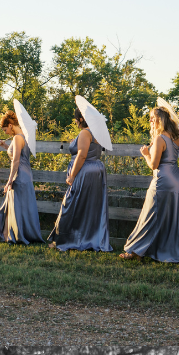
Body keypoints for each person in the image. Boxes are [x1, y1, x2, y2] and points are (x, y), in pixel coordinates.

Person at [120, 106, 179, 263]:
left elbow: (154, 165)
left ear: (159, 120)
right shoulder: (176, 137)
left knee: (149, 214)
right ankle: (174, 251)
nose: (150, 121)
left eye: (152, 118)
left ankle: (137, 250)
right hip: (176, 179)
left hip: (163, 179)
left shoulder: (160, 138)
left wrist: (146, 154)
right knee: (172, 216)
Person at [48, 106, 111, 252]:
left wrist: (72, 175)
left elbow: (82, 155)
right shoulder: (96, 133)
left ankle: (65, 240)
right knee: (90, 206)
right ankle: (89, 238)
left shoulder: (85, 132)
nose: (76, 122)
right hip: (97, 170)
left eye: (76, 119)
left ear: (81, 119)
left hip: (85, 171)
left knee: (71, 203)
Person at [0, 110, 43, 243]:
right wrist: (5, 146)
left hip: (19, 174)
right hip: (26, 174)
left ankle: (10, 234)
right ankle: (8, 234)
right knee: (17, 205)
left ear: (10, 125)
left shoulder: (17, 138)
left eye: (5, 129)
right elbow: (19, 155)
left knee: (14, 205)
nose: (5, 133)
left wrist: (9, 180)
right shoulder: (24, 137)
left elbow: (16, 160)